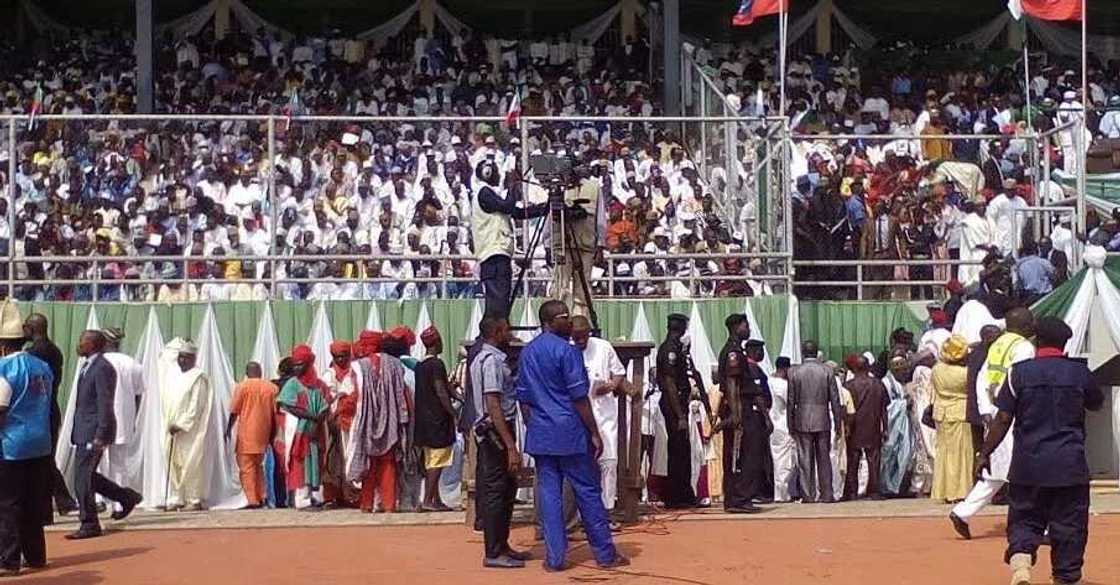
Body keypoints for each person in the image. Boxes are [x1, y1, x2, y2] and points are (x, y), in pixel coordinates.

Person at [977, 317, 1103, 585]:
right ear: (1065, 342)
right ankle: (1065, 577)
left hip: (1028, 465)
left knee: (1024, 518)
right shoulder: (1080, 373)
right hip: (1070, 465)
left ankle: (1021, 567)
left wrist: (984, 452)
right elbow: (1096, 403)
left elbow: (1002, 419)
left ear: (1036, 340)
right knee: (1069, 526)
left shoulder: (1018, 373)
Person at [517, 300, 627, 572]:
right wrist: (594, 432)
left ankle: (554, 558)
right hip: (570, 431)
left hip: (542, 433)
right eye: (565, 317)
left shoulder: (528, 352)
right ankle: (604, 554)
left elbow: (524, 399)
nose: (570, 322)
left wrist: (534, 426)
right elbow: (580, 398)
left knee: (550, 494)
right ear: (550, 320)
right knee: (588, 491)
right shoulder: (568, 353)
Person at [951, 308, 1035, 539]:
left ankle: (962, 512)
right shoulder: (1024, 347)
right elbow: (1021, 379)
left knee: (998, 470)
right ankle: (1037, 524)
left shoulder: (997, 344)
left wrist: (985, 410)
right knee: (1025, 468)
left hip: (994, 411)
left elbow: (982, 377)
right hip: (1012, 413)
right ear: (1025, 326)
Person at [68, 330, 141, 540]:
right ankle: (126, 497)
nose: (79, 344)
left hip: (94, 431)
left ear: (93, 345)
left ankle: (89, 523)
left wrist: (101, 433)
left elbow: (104, 403)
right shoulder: (87, 366)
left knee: (82, 477)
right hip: (84, 429)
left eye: (83, 341)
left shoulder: (102, 368)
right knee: (87, 476)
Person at [470, 316, 531, 568]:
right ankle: (493, 552)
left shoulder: (484, 358)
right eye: (506, 329)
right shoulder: (492, 361)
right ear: (497, 331)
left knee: (506, 489)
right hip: (496, 432)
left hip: (495, 431)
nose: (510, 333)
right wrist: (510, 446)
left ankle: (501, 545)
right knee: (497, 491)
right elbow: (493, 405)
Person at [0, 302, 56, 576]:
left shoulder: (3, 369)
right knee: (34, 502)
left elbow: (1, 408)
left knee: (8, 503)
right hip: (41, 443)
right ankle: (35, 556)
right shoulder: (42, 366)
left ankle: (8, 559)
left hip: (12, 446)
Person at [472, 158, 549, 321]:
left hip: (499, 253)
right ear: (488, 173)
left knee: (500, 301)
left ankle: (498, 333)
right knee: (497, 302)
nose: (499, 175)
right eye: (496, 171)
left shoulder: (491, 196)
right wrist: (514, 185)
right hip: (493, 254)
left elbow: (517, 212)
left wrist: (545, 208)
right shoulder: (483, 192)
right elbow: (508, 206)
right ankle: (492, 336)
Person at [347, 334, 410, 514]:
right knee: (388, 463)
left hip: (365, 421)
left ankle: (367, 504)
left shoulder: (358, 366)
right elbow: (402, 393)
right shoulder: (396, 364)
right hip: (391, 420)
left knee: (369, 464)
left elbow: (353, 395)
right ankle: (389, 504)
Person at [22, 313, 77, 515]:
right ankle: (55, 503)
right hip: (49, 409)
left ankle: (64, 500)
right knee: (45, 458)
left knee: (43, 459)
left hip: (40, 411)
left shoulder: (35, 354)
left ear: (33, 328)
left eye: (26, 327)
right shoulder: (54, 350)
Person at [570, 315, 626, 514]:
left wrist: (611, 385)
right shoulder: (566, 350)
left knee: (609, 462)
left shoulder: (603, 347)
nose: (581, 340)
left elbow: (619, 372)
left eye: (584, 336)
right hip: (577, 416)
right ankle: (579, 514)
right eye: (576, 337)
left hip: (604, 414)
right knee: (580, 465)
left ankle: (607, 509)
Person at [715, 314, 765, 513]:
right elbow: (732, 384)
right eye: (746, 326)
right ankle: (738, 498)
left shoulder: (736, 351)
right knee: (744, 455)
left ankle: (739, 498)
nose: (749, 329)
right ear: (736, 327)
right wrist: (736, 414)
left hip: (741, 406)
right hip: (740, 407)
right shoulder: (733, 352)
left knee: (743, 454)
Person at [787, 340, 842, 503]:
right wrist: (838, 423)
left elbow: (791, 401)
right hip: (823, 417)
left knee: (805, 458)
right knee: (824, 458)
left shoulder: (794, 372)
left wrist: (790, 423)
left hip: (802, 418)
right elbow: (835, 400)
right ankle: (827, 494)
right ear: (817, 352)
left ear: (803, 352)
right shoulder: (827, 371)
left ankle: (808, 494)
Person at [278, 345, 331, 510]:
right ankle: (302, 499)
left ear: (308, 364)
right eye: (294, 364)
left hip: (317, 432)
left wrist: (318, 420)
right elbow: (286, 405)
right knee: (299, 463)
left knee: (316, 462)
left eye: (300, 364)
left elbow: (327, 404)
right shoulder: (292, 384)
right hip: (299, 431)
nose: (296, 368)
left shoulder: (319, 384)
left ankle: (315, 495)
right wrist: (310, 417)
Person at [161, 340, 212, 511]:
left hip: (190, 431)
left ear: (193, 359)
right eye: (180, 357)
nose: (182, 361)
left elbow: (196, 407)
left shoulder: (198, 377)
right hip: (171, 428)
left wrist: (181, 424)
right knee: (174, 463)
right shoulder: (174, 376)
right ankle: (177, 498)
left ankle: (194, 499)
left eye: (186, 358)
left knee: (191, 463)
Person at [99, 327, 146, 512]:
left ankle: (99, 500)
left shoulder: (98, 362)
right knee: (119, 463)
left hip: (100, 420)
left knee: (97, 461)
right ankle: (119, 504)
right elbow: (138, 395)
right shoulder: (133, 363)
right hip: (123, 419)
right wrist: (132, 417)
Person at [413, 326, 457, 512]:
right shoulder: (437, 365)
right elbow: (441, 390)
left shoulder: (421, 366)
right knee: (438, 461)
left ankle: (436, 499)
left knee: (431, 460)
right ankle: (428, 499)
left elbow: (444, 386)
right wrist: (453, 412)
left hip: (423, 421)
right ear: (437, 342)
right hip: (437, 420)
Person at [225, 362, 279, 509]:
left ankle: (252, 500)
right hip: (264, 433)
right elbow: (276, 414)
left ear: (247, 373)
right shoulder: (271, 388)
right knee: (258, 466)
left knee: (247, 468)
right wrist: (273, 435)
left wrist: (228, 429)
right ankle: (262, 496)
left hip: (247, 435)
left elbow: (234, 411)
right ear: (260, 372)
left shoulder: (243, 387)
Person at [655, 313, 695, 508]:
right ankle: (677, 495)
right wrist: (680, 415)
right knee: (678, 449)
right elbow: (670, 383)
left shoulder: (677, 349)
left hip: (678, 401)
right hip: (674, 403)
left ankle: (683, 493)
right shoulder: (670, 350)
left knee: (682, 448)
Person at [930, 335, 972, 503]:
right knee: (962, 454)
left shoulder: (936, 369)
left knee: (944, 453)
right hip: (961, 411)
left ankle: (943, 491)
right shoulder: (965, 373)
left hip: (941, 412)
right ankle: (960, 491)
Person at [842, 354, 888, 500]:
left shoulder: (848, 385)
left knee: (852, 460)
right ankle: (873, 491)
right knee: (873, 460)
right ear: (868, 367)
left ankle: (852, 491)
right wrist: (885, 427)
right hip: (873, 426)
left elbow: (845, 408)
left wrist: (845, 427)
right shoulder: (878, 384)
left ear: (854, 368)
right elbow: (884, 409)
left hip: (854, 427)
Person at [768, 357, 797, 503]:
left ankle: (781, 492)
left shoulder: (768, 381)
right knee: (784, 461)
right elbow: (792, 404)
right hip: (783, 425)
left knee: (776, 459)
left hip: (771, 424)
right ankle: (782, 494)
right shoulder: (783, 386)